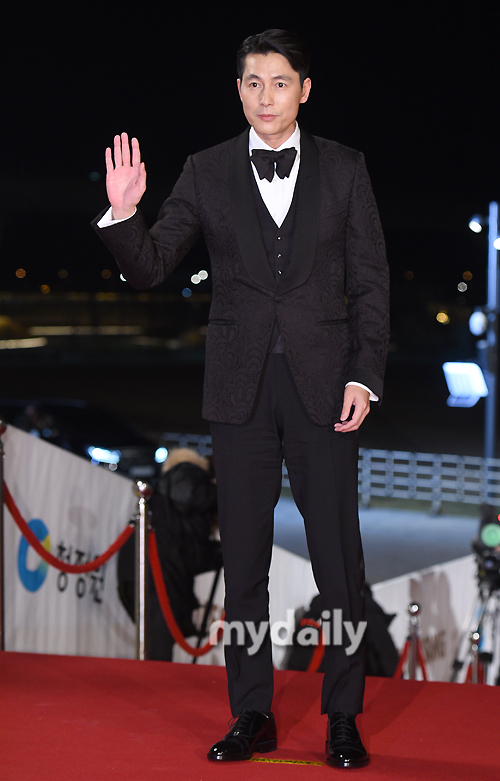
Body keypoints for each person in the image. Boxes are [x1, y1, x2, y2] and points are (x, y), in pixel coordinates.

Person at [92, 29, 389, 769]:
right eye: (252, 82)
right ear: (239, 90)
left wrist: (365, 373)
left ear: (305, 89)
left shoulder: (347, 170)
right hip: (239, 389)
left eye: (279, 82)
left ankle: (342, 715)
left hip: (327, 391)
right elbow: (153, 266)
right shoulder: (206, 170)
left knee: (339, 564)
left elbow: (371, 285)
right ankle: (251, 708)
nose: (266, 96)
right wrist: (125, 216)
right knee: (246, 563)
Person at [117, 448, 220, 661]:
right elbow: (187, 493)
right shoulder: (190, 475)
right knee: (157, 651)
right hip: (157, 577)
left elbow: (190, 551)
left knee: (156, 646)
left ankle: (150, 688)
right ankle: (151, 691)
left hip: (152, 574)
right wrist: (220, 494)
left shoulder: (177, 496)